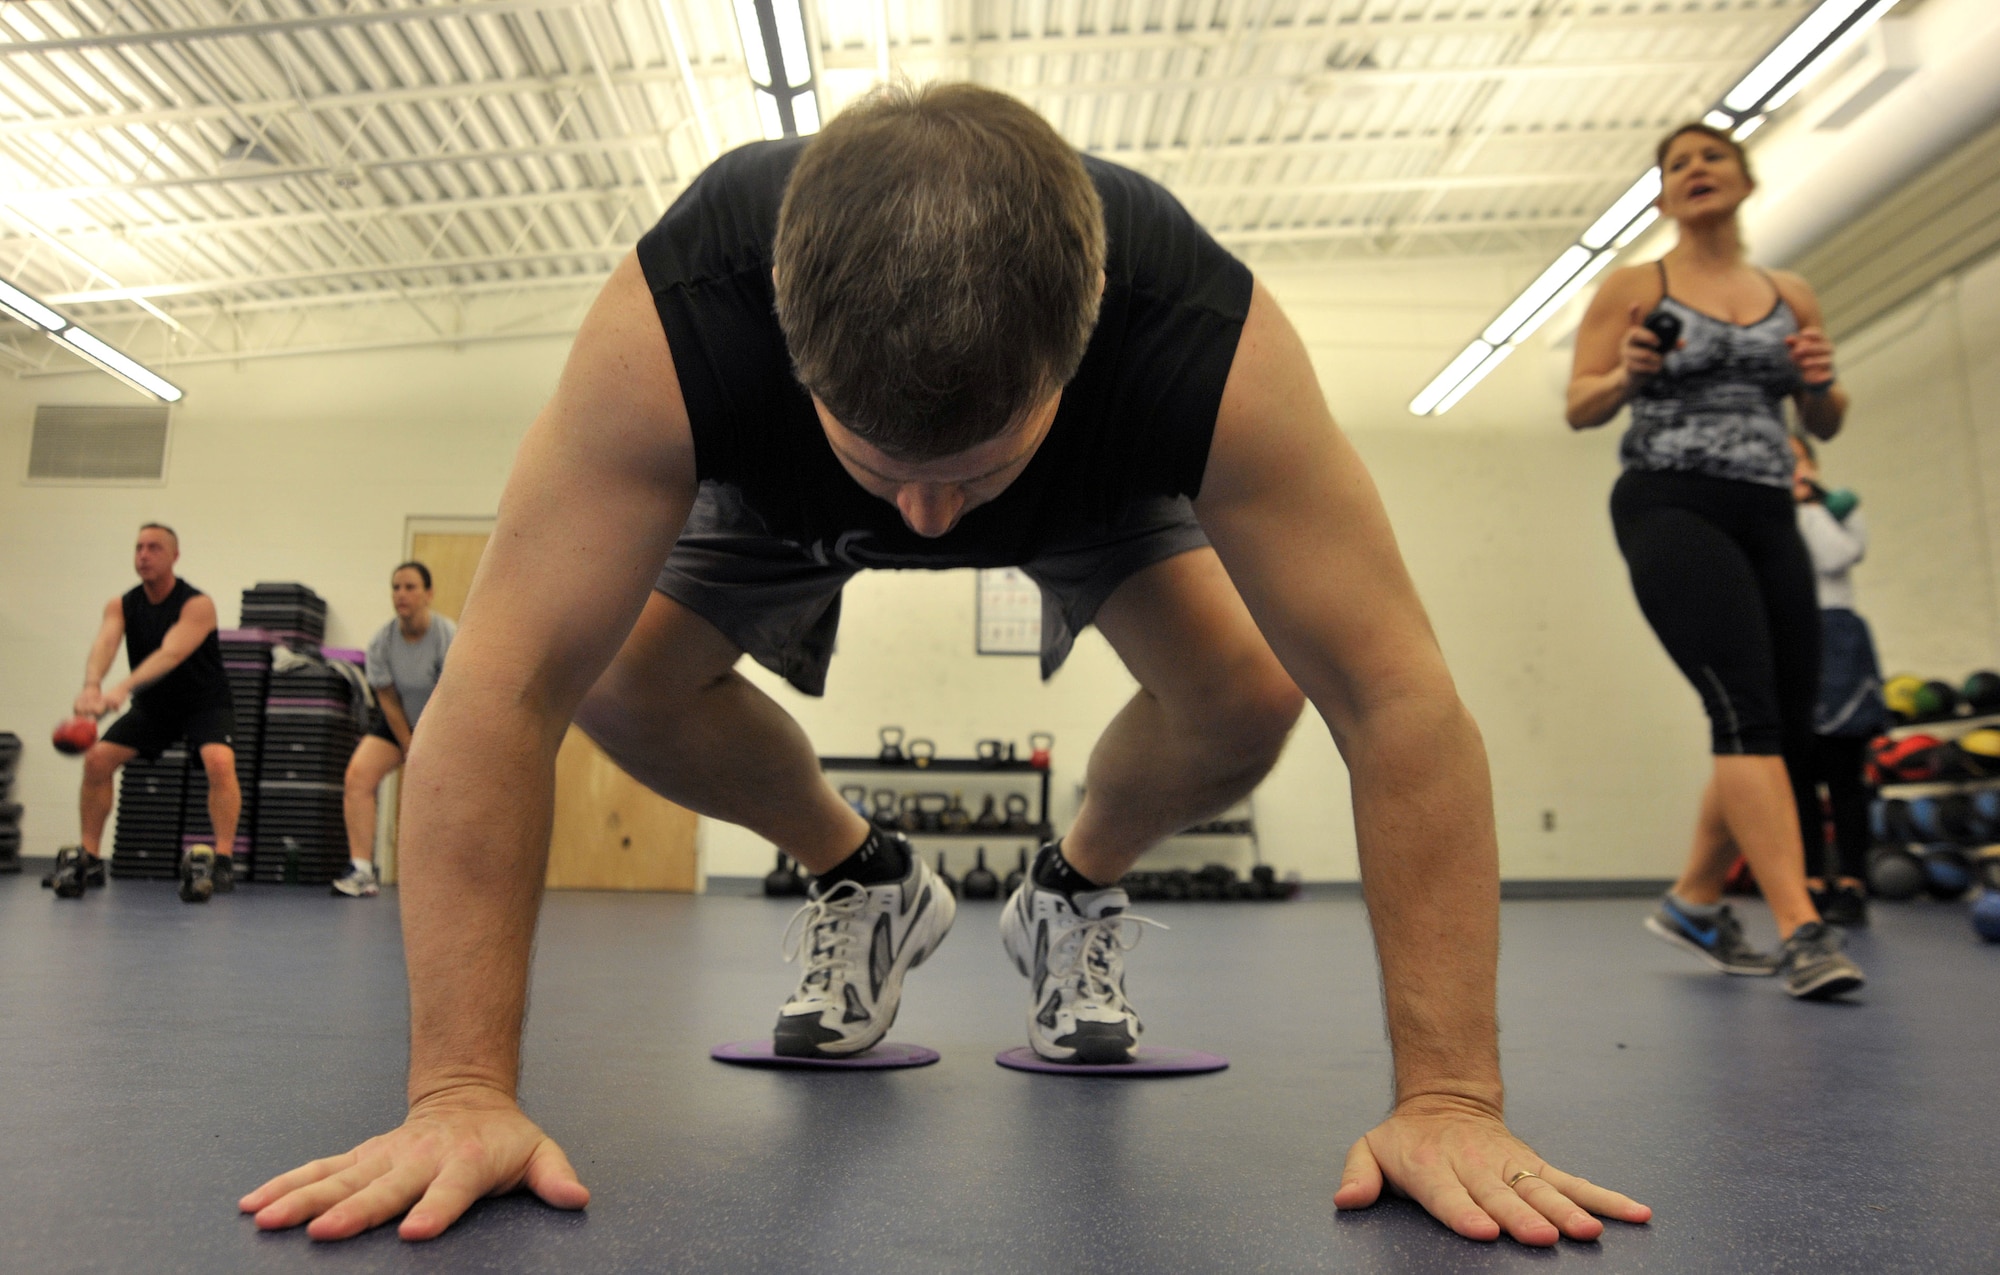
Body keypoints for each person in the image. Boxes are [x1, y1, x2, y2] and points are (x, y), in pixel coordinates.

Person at [242, 84, 1649, 1246]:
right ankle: (863, 873)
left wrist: (1454, 1093)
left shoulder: (1194, 332)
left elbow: (1397, 695)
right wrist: (461, 1087)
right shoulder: (684, 314)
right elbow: (499, 687)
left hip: (1086, 489)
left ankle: (1070, 889)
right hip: (782, 487)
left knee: (1251, 693)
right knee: (614, 676)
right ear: (785, 332)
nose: (923, 523)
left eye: (966, 475)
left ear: (1084, 331)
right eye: (885, 470)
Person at [1567, 121, 1865, 999]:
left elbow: (1826, 422)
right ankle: (1802, 928)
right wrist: (1626, 372)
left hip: (1769, 509)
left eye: (1712, 157)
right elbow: (1580, 407)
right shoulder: (1633, 284)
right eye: (1676, 164)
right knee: (1742, 708)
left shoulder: (1789, 291)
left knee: (1785, 722)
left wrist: (1819, 378)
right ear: (1662, 196)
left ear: (1744, 179)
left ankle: (1697, 900)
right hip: (1670, 500)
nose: (1695, 169)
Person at [54, 523, 239, 903]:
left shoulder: (196, 604)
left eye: (154, 547)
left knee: (219, 762)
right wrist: (92, 685)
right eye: (139, 547)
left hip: (203, 701)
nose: (144, 554)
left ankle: (222, 859)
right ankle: (89, 857)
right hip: (155, 706)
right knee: (97, 760)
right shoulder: (121, 604)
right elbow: (105, 644)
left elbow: (171, 652)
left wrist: (121, 688)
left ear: (174, 556)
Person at [1791, 434, 1885, 926]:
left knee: (1844, 776)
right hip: (1789, 637)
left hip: (1838, 638)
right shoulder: (1767, 517)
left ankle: (1852, 883)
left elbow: (1833, 558)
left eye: (1797, 459)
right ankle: (1810, 881)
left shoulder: (1839, 508)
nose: (1790, 468)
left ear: (1813, 463)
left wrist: (1807, 505)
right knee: (1798, 777)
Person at [333, 562, 456, 899]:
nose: (401, 594)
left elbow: (454, 695)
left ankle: (448, 876)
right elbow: (386, 697)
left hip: (443, 722)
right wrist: (408, 743)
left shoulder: (449, 636)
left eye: (410, 587)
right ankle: (361, 869)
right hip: (400, 718)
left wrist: (428, 744)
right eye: (396, 587)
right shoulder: (381, 642)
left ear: (428, 594)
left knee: (445, 794)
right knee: (358, 776)